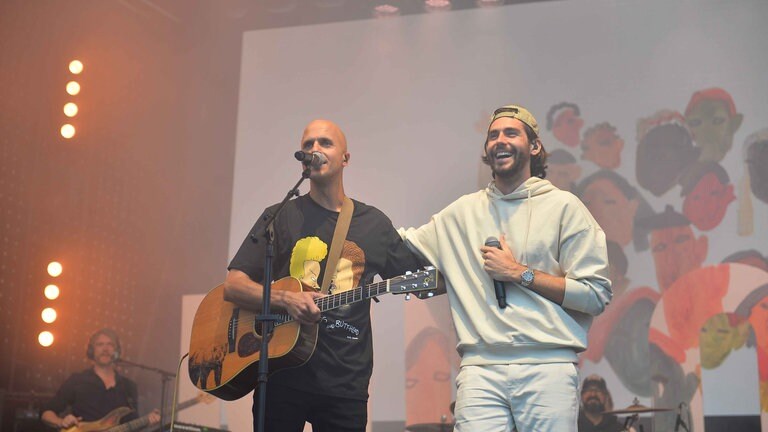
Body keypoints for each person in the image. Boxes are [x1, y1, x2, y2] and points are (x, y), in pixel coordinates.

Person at [400, 104, 612, 431]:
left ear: (535, 146)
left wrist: (519, 273)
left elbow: (595, 295)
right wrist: (348, 222)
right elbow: (401, 246)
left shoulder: (564, 207)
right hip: (480, 370)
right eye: (493, 135)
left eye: (511, 133)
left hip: (549, 366)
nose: (500, 140)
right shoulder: (461, 213)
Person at [223, 119, 425, 431]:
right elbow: (233, 285)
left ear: (346, 158)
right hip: (279, 375)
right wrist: (287, 299)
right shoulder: (279, 216)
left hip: (345, 384)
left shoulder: (373, 225)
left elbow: (416, 275)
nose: (314, 149)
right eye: (308, 145)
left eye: (325, 143)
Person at [40, 328, 160, 430]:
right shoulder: (77, 380)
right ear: (92, 351)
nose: (105, 349)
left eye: (110, 344)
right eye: (100, 344)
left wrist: (148, 422)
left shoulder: (128, 386)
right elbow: (46, 412)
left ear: (117, 351)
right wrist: (61, 422)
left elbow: (131, 425)